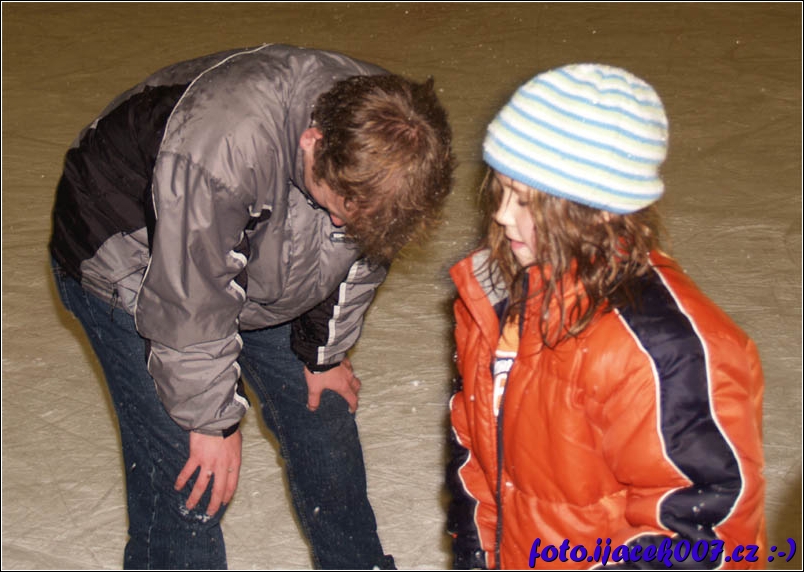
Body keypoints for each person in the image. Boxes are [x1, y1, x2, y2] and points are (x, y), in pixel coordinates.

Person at [50, 43, 454, 570]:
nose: (342, 226)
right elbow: (188, 296)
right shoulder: (223, 144)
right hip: (129, 257)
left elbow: (356, 264)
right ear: (313, 142)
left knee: (324, 418)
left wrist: (322, 353)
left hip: (253, 251)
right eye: (339, 207)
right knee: (192, 474)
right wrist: (209, 422)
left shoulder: (396, 148)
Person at [446, 64, 766, 569]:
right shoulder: (498, 297)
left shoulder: (662, 352)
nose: (502, 215)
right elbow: (473, 443)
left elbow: (707, 538)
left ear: (598, 210)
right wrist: (475, 555)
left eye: (525, 201)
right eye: (500, 189)